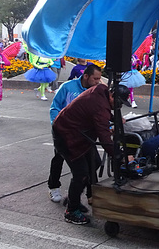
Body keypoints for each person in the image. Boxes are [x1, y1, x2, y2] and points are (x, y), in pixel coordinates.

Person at [52, 83, 132, 225]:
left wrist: (114, 119)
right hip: (66, 136)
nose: (119, 106)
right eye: (118, 102)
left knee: (94, 162)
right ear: (112, 95)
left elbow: (101, 113)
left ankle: (72, 199)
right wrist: (121, 157)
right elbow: (105, 139)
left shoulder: (102, 91)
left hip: (79, 133)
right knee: (81, 174)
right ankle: (71, 211)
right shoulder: (100, 108)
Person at [47, 64, 102, 204]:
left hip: (85, 135)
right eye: (95, 78)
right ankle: (54, 187)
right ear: (86, 76)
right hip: (65, 133)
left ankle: (89, 193)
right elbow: (54, 108)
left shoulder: (95, 91)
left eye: (99, 79)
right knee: (59, 159)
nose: (97, 82)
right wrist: (58, 127)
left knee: (94, 162)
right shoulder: (68, 87)